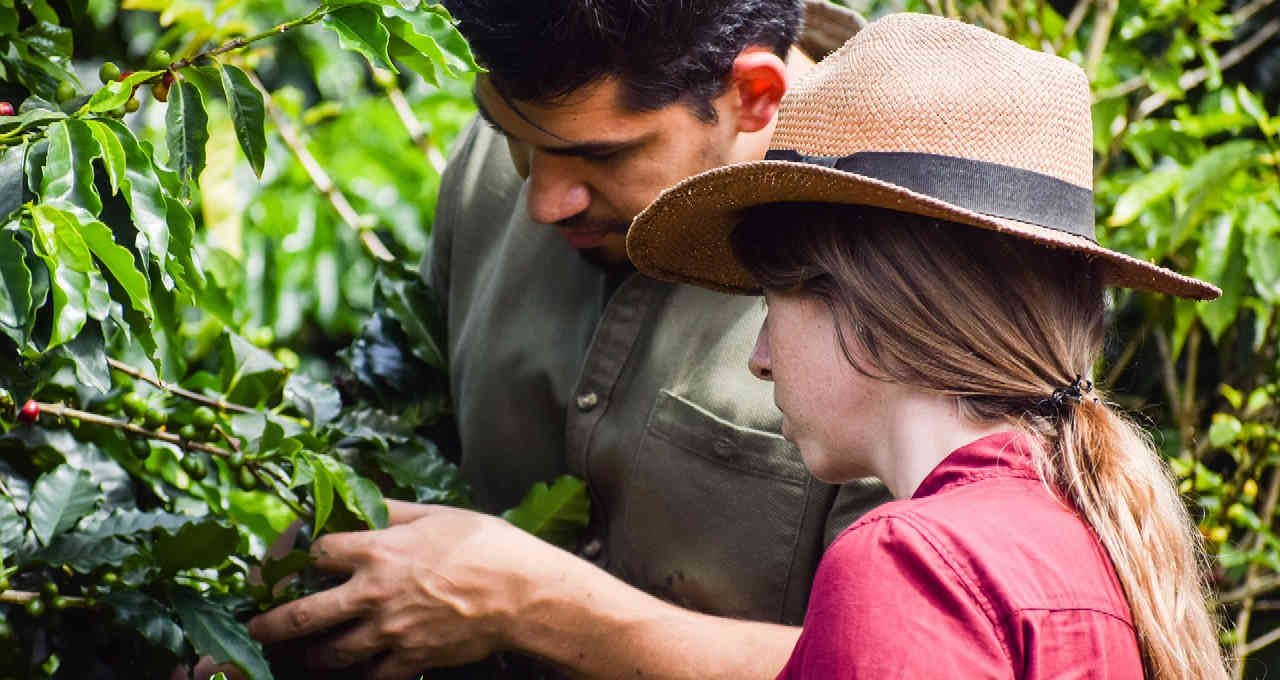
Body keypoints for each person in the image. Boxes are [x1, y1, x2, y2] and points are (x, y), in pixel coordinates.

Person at [246, 2, 890, 678]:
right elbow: (403, 419)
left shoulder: (912, 288)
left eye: (600, 156)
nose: (542, 202)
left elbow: (909, 661)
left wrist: (535, 606)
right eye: (515, 138)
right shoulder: (516, 142)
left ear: (752, 96)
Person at [626, 13, 1229, 678]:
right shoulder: (1089, 543)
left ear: (874, 310)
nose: (759, 357)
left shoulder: (911, 563)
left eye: (773, 305)